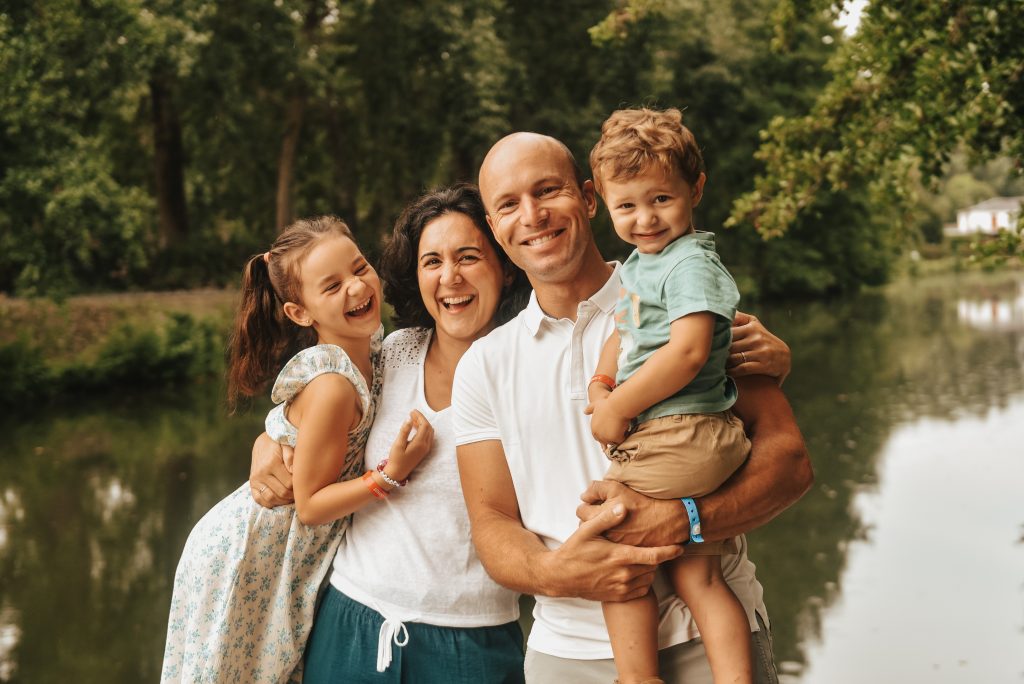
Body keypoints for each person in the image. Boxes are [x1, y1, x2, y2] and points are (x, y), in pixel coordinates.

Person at [454, 131, 812, 683]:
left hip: (704, 647)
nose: (532, 215)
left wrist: (685, 520)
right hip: (562, 658)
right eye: (508, 204)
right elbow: (492, 523)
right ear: (494, 226)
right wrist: (556, 572)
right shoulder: (483, 364)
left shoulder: (679, 297)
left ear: (588, 198)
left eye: (547, 190)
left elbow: (790, 465)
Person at [250, 184, 532, 683]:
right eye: (432, 261)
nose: (450, 277)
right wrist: (268, 442)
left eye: (469, 256)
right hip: (350, 627)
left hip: (472, 641)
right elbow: (323, 408)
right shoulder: (393, 353)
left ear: (506, 267)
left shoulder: (533, 371)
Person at [161, 216, 433, 684]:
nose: (356, 287)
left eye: (359, 267)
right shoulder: (333, 385)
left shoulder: (373, 347)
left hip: (284, 550)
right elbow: (310, 505)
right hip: (252, 552)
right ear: (300, 313)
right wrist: (390, 473)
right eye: (332, 286)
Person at [585, 107, 753, 683]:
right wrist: (601, 382)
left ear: (695, 190)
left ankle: (638, 678)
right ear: (605, 204)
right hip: (688, 433)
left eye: (661, 199)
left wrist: (617, 407)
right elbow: (625, 331)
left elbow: (688, 352)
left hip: (683, 430)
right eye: (627, 206)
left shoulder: (689, 264)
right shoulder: (645, 265)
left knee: (610, 536)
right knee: (698, 577)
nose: (645, 218)